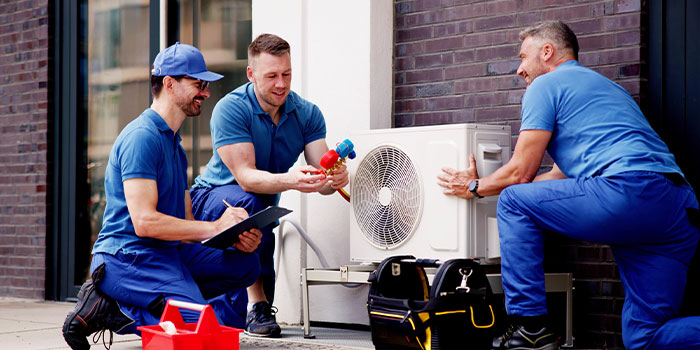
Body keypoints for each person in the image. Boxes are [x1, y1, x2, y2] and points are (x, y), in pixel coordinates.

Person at [437, 21, 700, 350]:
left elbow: (520, 175)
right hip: (677, 208)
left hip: (628, 192)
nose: (519, 70)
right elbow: (558, 178)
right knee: (644, 338)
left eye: (523, 57)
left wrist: (475, 186)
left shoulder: (545, 86)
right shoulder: (606, 90)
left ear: (547, 52)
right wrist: (497, 183)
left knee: (514, 201)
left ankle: (531, 326)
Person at [62, 43, 263, 350]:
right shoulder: (141, 138)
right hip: (128, 257)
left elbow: (186, 224)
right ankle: (119, 305)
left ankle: (125, 305)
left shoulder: (174, 146)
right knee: (196, 331)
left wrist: (232, 237)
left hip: (167, 254)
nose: (206, 93)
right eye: (198, 84)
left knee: (245, 266)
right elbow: (144, 222)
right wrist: (215, 226)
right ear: (170, 84)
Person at [189, 33, 349, 337]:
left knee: (232, 322)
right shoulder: (231, 109)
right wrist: (291, 180)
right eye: (272, 76)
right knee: (250, 201)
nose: (281, 84)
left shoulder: (307, 114)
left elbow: (323, 177)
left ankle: (249, 308)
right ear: (251, 74)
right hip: (210, 199)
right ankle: (257, 303)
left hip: (259, 210)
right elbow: (246, 177)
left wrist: (336, 177)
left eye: (286, 74)